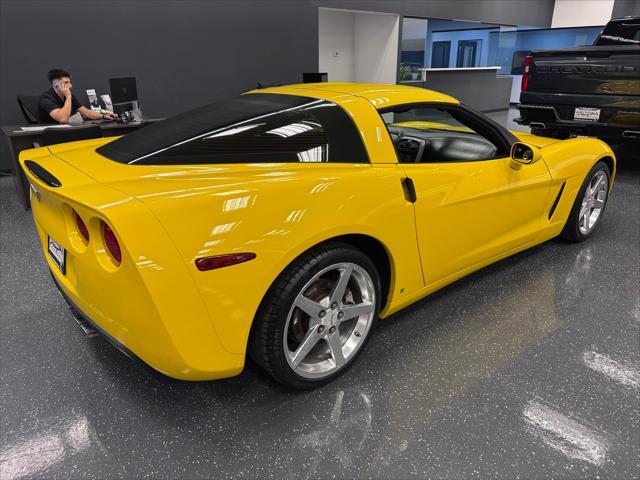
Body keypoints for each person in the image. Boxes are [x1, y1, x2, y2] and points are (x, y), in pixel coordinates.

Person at [38, 69, 117, 124]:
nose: (70, 85)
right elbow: (63, 119)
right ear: (56, 85)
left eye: (70, 82)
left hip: (67, 131)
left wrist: (103, 116)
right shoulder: (46, 98)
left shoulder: (69, 96)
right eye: (66, 82)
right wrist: (68, 96)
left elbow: (87, 113)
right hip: (51, 136)